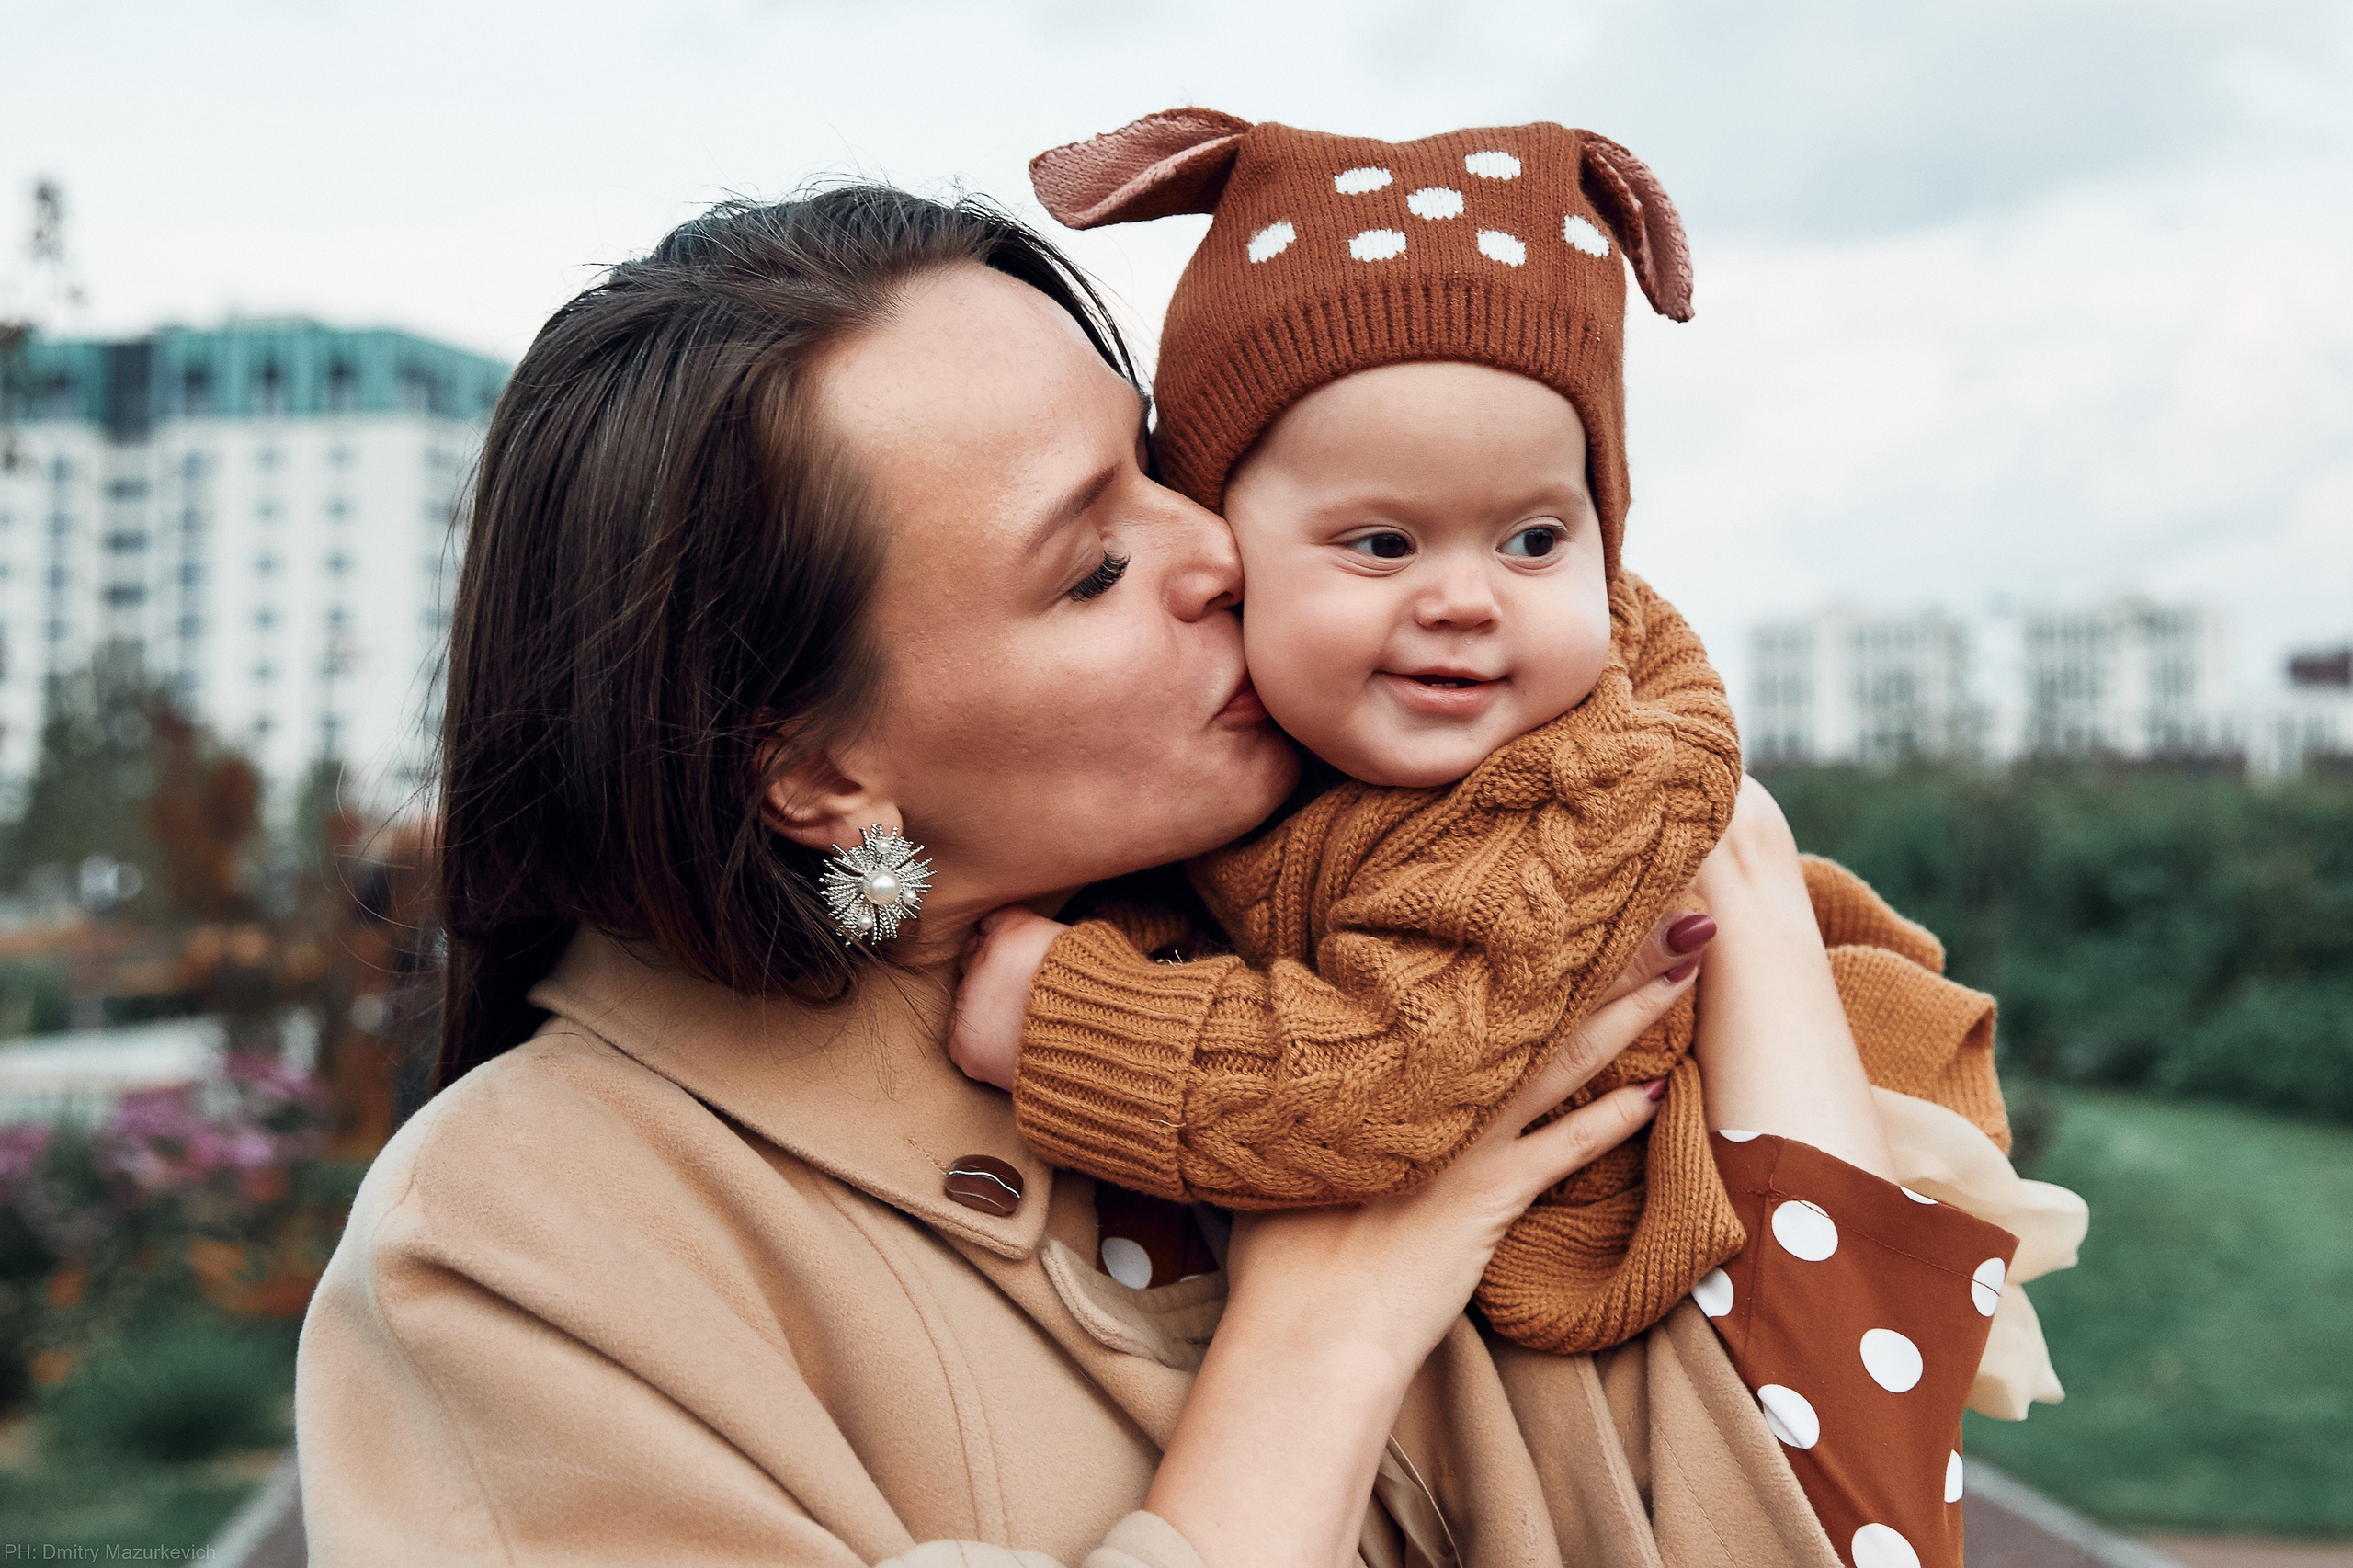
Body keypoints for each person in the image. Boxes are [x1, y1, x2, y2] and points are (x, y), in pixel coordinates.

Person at [295, 181, 2069, 1568]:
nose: (1220, 548)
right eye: (1088, 568)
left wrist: (1734, 892)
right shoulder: (523, 1253)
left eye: (1158, 468)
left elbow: (1846, 1497)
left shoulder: (1396, 933)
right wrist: (1324, 1331)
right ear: (816, 769)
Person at [938, 112, 2081, 1568]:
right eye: (1381, 544)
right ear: (1227, 552)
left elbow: (1380, 1075)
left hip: (1744, 1292)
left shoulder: (1581, 789)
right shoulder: (1300, 771)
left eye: (1534, 539)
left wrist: (1070, 1017)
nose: (1467, 597)